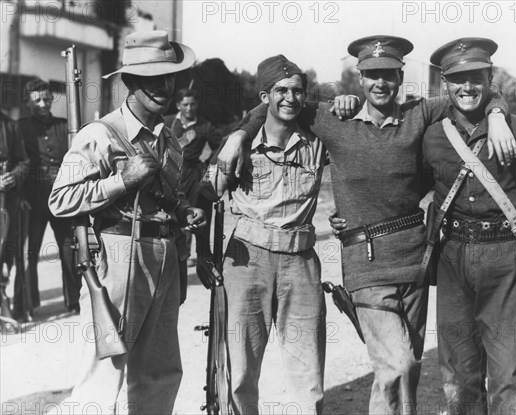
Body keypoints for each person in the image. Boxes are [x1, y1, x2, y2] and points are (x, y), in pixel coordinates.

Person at [219, 36, 516, 415]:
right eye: (372, 75)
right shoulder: (332, 119)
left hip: (415, 260)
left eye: (388, 74)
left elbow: (476, 94)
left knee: (405, 370)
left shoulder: (419, 113)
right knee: (397, 364)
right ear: (359, 78)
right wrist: (238, 135)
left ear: (400, 76)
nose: (380, 83)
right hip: (365, 262)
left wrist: (497, 116)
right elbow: (277, 105)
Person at [48, 30, 205, 414]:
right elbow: (60, 200)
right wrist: (121, 180)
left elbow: (171, 196)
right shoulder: (100, 135)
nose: (163, 87)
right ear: (130, 82)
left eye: (169, 77)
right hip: (119, 255)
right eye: (152, 79)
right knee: (104, 372)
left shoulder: (170, 139)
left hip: (165, 255)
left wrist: (185, 210)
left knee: (160, 372)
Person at [421, 38, 516, 414]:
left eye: (475, 78)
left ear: (490, 79)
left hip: (507, 260)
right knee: (459, 372)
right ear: (444, 84)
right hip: (453, 258)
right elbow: (407, 187)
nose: (467, 87)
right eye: (457, 80)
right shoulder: (433, 136)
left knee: (509, 372)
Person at [200, 55, 327, 414]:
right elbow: (204, 196)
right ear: (264, 96)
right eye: (280, 91)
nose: (290, 98)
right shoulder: (238, 147)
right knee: (239, 370)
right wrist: (202, 255)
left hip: (301, 262)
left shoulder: (317, 142)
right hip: (248, 260)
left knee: (309, 373)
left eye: (298, 91)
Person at [17, 79, 80, 314]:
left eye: (47, 99)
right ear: (27, 103)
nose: (43, 104)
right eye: (37, 100)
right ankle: (28, 305)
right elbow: (18, 162)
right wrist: (22, 196)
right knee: (30, 253)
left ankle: (74, 301)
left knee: (69, 250)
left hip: (62, 201)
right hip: (32, 202)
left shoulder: (66, 126)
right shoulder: (20, 128)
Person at [164, 88, 221, 268]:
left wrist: (206, 164)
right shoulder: (168, 122)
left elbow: (218, 147)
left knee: (196, 212)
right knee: (173, 212)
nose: (189, 108)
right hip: (171, 173)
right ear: (178, 105)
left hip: (193, 174)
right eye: (185, 104)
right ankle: (180, 252)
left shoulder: (205, 125)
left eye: (193, 104)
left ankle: (202, 257)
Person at [0, 110, 29, 320]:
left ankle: (3, 300)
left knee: (5, 251)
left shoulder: (11, 125)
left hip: (6, 201)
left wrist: (14, 176)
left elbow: (24, 161)